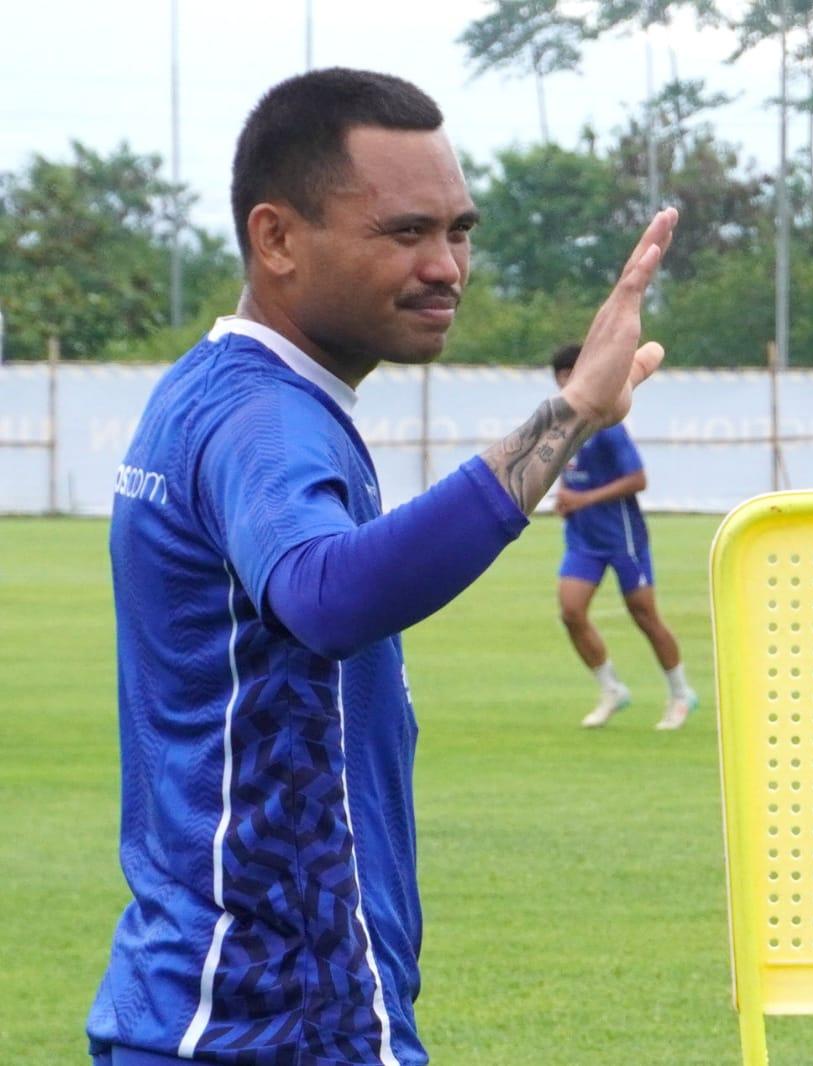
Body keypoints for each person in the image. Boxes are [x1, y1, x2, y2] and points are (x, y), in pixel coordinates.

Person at [89, 68, 678, 1066]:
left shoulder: (213, 389)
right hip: (273, 1023)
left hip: (198, 1005)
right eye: (406, 232)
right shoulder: (263, 417)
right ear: (276, 238)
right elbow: (331, 593)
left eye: (459, 230)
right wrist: (569, 411)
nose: (448, 265)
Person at [549, 343, 697, 730]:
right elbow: (570, 476)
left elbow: (638, 479)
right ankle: (611, 689)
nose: (566, 382)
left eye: (571, 373)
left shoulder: (608, 426)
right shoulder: (561, 424)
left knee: (644, 615)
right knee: (570, 611)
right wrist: (564, 499)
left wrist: (583, 498)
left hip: (622, 536)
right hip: (583, 537)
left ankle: (681, 693)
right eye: (560, 376)